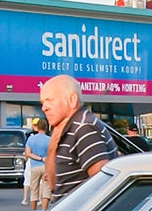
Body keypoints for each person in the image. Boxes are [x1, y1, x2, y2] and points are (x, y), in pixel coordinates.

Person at [40, 74, 117, 202]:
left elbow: (102, 185)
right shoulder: (65, 130)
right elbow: (55, 185)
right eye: (43, 103)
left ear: (72, 100)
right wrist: (53, 144)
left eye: (50, 100)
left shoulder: (84, 128)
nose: (44, 108)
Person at [22, 118, 51, 210]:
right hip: (46, 166)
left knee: (34, 190)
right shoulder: (50, 140)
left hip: (34, 166)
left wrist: (40, 158)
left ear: (37, 127)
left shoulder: (31, 139)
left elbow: (28, 153)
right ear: (46, 127)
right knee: (46, 190)